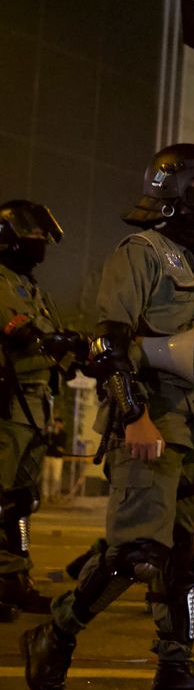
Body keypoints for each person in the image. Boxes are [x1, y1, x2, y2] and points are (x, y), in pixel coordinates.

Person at [21, 143, 194, 690]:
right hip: (152, 422)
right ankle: (55, 635)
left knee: (186, 557)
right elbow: (108, 344)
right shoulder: (141, 253)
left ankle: (176, 670)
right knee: (136, 553)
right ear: (170, 190)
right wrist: (134, 415)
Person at [0, 200, 85, 616]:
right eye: (31, 234)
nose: (39, 243)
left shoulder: (33, 288)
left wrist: (81, 352)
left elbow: (54, 338)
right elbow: (19, 330)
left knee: (21, 500)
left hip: (35, 404)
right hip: (6, 404)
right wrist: (49, 340)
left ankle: (12, 577)